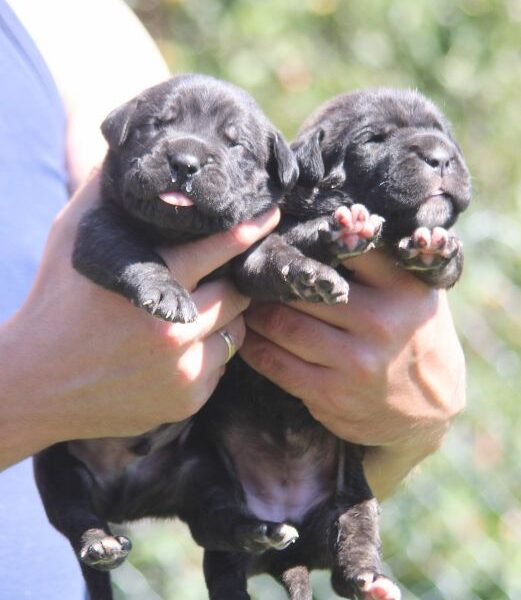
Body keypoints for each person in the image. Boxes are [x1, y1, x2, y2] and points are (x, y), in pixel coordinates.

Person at [0, 0, 465, 596]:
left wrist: (409, 428)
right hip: (80, 488)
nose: (188, 152)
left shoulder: (70, 21)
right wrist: (26, 397)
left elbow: (170, 150)